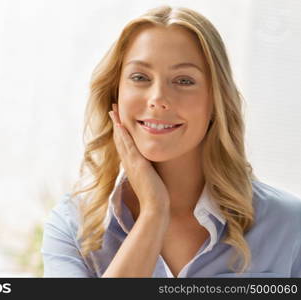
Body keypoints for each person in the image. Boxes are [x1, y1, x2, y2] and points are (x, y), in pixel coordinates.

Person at [41, 5, 301, 277]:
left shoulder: (288, 225)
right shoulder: (72, 226)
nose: (158, 99)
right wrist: (153, 213)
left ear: (215, 101)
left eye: (184, 80)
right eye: (140, 77)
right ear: (114, 95)